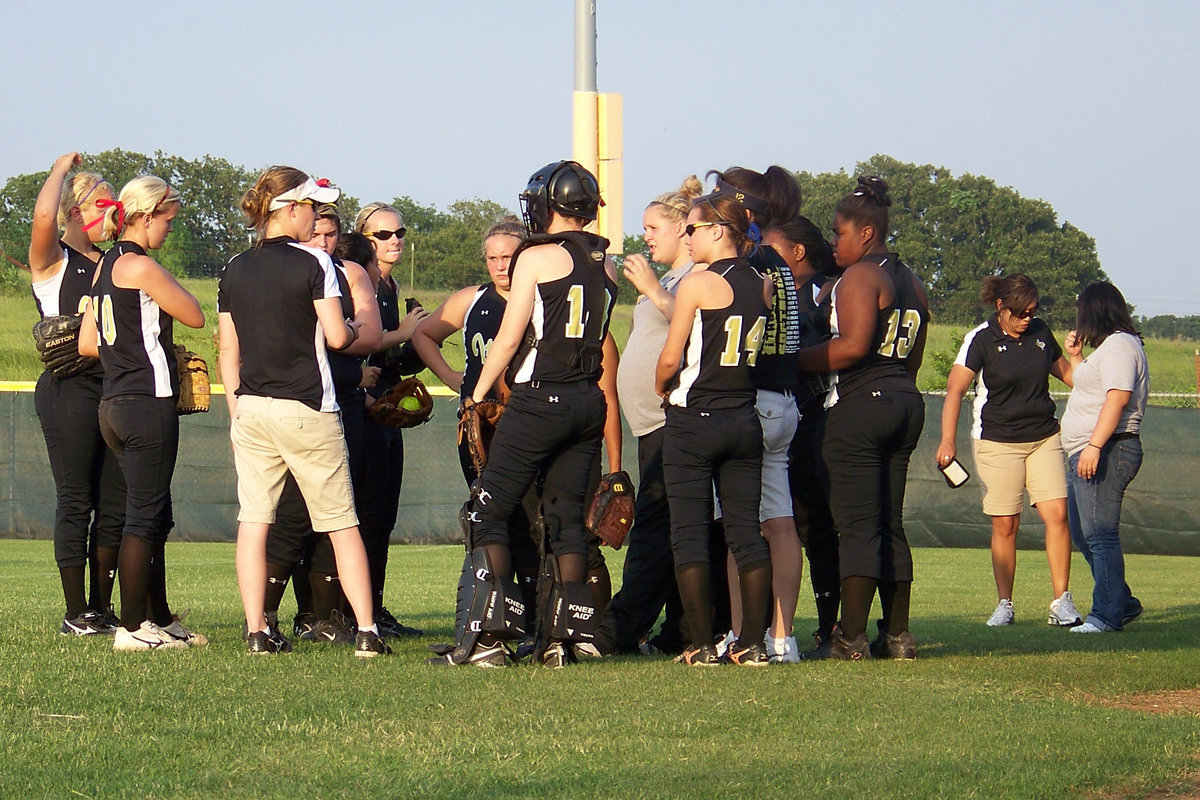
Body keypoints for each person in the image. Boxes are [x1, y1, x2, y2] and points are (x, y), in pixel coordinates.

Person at [433, 160, 617, 668]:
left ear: (546, 204)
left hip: (540, 399)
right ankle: (565, 640)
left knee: (485, 512)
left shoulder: (536, 257)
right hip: (587, 399)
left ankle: (490, 640)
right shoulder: (606, 261)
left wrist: (477, 392)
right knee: (566, 523)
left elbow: (511, 337)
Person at [218, 166, 389, 658]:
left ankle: (256, 631)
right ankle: (366, 632)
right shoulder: (316, 264)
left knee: (254, 521)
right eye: (311, 207)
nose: (315, 217)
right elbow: (337, 337)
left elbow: (228, 351)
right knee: (340, 521)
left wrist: (236, 409)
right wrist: (357, 330)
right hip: (307, 406)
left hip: (250, 407)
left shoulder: (235, 266)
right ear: (290, 208)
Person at [795, 176, 929, 660]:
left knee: (856, 526)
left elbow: (851, 347)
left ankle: (849, 638)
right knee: (890, 522)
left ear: (866, 234)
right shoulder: (914, 281)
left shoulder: (859, 277)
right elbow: (912, 357)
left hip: (860, 407)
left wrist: (792, 359)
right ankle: (897, 635)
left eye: (839, 233)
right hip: (905, 399)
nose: (833, 242)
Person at [78, 175, 206, 650]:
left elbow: (88, 344)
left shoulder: (103, 265)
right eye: (167, 220)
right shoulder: (139, 265)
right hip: (146, 402)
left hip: (112, 403)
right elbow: (194, 313)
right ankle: (133, 628)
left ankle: (159, 618)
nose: (169, 229)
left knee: (155, 514)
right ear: (147, 216)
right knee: (144, 518)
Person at [656, 191, 770, 667]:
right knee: (746, 532)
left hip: (694, 418)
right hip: (743, 417)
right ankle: (753, 643)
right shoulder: (762, 283)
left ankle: (701, 644)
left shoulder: (699, 284)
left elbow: (671, 357)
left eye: (694, 228)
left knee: (689, 532)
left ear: (719, 231)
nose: (687, 235)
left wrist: (661, 385)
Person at [262, 201, 383, 646]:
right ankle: (268, 615)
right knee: (290, 515)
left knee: (338, 513)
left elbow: (369, 334)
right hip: (294, 401)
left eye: (330, 234)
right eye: (316, 233)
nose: (323, 241)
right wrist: (338, 329)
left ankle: (326, 616)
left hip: (341, 401)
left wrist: (340, 330)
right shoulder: (284, 270)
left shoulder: (348, 272)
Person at [593, 177, 704, 657]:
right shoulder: (662, 282)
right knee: (671, 527)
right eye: (644, 228)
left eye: (655, 227)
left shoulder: (690, 279)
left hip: (671, 423)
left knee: (656, 528)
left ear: (685, 229)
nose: (648, 237)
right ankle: (678, 628)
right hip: (650, 426)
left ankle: (623, 625)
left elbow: (697, 323)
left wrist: (653, 287)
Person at [937, 274, 1081, 628]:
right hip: (997, 442)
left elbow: (1073, 378)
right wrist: (947, 440)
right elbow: (955, 390)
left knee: (1057, 515)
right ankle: (1005, 604)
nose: (1026, 319)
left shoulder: (1041, 333)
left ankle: (1061, 601)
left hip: (1044, 437)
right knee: (1006, 524)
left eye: (1032, 311)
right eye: (1019, 313)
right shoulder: (980, 339)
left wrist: (1076, 356)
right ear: (1001, 307)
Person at [707, 166, 806, 664]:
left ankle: (744, 634)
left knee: (741, 531)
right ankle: (782, 637)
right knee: (781, 524)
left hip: (752, 404)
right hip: (783, 402)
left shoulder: (746, 265)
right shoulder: (779, 262)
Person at [28, 153, 125, 636]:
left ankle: (102, 608)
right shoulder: (55, 262)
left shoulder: (115, 262)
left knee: (114, 502)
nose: (111, 211)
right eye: (101, 202)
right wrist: (59, 171)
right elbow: (43, 216)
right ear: (73, 211)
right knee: (76, 499)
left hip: (116, 389)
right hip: (70, 389)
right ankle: (75, 611)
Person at [761, 213, 841, 656]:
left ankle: (830, 625)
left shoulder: (817, 292)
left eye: (772, 247)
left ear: (796, 252)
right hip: (799, 419)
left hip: (813, 421)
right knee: (800, 526)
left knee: (816, 527)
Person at [353, 202, 428, 638]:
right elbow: (368, 345)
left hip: (382, 407)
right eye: (383, 235)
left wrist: (422, 341)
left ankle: (375, 608)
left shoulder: (389, 284)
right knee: (365, 512)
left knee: (383, 515)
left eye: (399, 232)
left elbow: (389, 359)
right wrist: (404, 334)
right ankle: (348, 611)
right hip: (361, 407)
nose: (394, 240)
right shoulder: (362, 282)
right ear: (365, 239)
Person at [1060, 281, 1149, 634]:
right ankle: (1121, 602)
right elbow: (1091, 388)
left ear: (1095, 311)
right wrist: (1076, 358)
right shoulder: (1110, 348)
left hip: (1110, 448)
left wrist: (1095, 446)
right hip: (1090, 448)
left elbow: (1117, 397)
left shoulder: (1120, 346)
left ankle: (1106, 616)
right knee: (1084, 532)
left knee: (1100, 533)